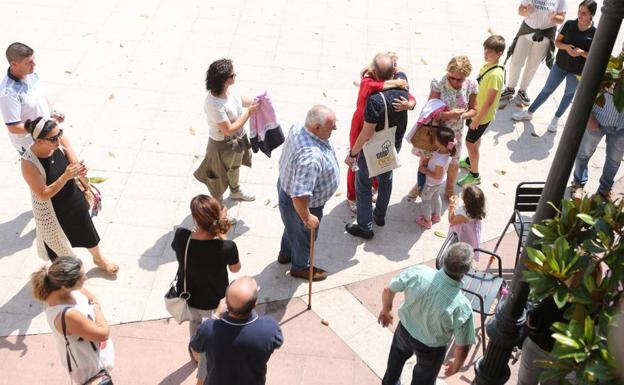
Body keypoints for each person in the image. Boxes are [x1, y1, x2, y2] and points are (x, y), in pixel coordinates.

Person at [21, 117, 118, 273]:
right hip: (51, 208)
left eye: (59, 133)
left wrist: (85, 184)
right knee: (56, 245)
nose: (58, 139)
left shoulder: (61, 142)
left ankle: (99, 259)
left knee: (86, 230)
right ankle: (70, 274)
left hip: (72, 196)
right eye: (53, 138)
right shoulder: (29, 163)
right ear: (39, 141)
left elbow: (74, 164)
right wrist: (65, 176)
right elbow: (43, 195)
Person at [378, 243, 476, 385]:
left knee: (394, 363)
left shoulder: (419, 272)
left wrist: (386, 309)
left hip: (404, 331)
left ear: (444, 259)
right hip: (432, 348)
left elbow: (388, 290)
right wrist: (457, 364)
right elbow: (462, 345)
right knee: (423, 379)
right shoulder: (462, 306)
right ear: (466, 270)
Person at [171, 194, 241, 384]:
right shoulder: (226, 247)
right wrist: (222, 236)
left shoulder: (181, 237)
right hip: (215, 303)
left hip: (189, 297)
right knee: (210, 343)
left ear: (195, 218)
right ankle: (202, 377)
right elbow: (236, 268)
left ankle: (195, 352)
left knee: (195, 326)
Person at [345, 53, 413, 239]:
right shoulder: (403, 85)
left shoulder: (374, 100)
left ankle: (365, 226)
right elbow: (401, 73)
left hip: (373, 147)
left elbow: (366, 134)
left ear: (373, 71)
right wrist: (411, 104)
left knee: (364, 183)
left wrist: (353, 153)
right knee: (386, 178)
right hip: (392, 145)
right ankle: (380, 215)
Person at [512, 0, 597, 132]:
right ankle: (529, 113)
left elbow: (594, 54)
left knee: (568, 95)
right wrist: (567, 47)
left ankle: (556, 119)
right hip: (561, 65)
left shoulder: (595, 33)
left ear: (592, 15)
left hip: (578, 71)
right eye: (579, 11)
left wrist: (583, 53)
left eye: (584, 13)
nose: (580, 15)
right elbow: (557, 42)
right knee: (547, 90)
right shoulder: (569, 24)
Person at [277, 105, 340, 281]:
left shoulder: (299, 127)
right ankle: (300, 267)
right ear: (316, 128)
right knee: (304, 235)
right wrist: (307, 217)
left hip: (285, 189)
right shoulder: (310, 158)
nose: (335, 128)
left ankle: (286, 253)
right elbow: (299, 195)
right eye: (331, 125)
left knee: (291, 226)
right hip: (304, 204)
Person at [31, 256, 115, 385]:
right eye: (82, 276)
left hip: (92, 356)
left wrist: (94, 305)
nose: (86, 278)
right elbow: (103, 334)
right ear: (65, 286)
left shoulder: (61, 291)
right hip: (91, 368)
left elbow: (92, 297)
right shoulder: (67, 315)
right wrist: (95, 308)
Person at [190, 276, 283, 385]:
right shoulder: (270, 328)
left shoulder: (208, 330)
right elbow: (278, 342)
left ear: (226, 303)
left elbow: (196, 350)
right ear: (254, 304)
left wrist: (216, 316)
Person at [194, 58, 258, 205]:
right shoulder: (213, 104)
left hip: (237, 140)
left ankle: (235, 192)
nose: (235, 75)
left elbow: (238, 100)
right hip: (221, 145)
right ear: (223, 80)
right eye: (232, 75)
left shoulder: (227, 90)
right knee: (218, 177)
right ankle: (218, 208)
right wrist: (248, 113)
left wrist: (255, 101)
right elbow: (228, 130)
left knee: (235, 167)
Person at [0, 42, 68, 155]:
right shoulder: (8, 94)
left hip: (48, 135)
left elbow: (41, 96)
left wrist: (52, 112)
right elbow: (13, 127)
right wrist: (40, 130)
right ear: (14, 64)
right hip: (31, 144)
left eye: (33, 59)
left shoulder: (31, 75)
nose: (34, 64)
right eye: (29, 62)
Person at [426, 56, 478, 198]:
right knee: (428, 160)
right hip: (436, 130)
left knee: (453, 163)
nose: (455, 82)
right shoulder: (439, 82)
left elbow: (474, 109)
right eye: (451, 78)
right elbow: (429, 110)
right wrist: (449, 115)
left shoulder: (472, 85)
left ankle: (449, 189)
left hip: (455, 133)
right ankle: (420, 186)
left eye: (459, 79)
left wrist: (461, 115)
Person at [458, 35, 506, 187]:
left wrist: (476, 121)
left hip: (481, 117)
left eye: (490, 51)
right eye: (485, 49)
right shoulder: (488, 66)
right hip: (477, 112)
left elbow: (490, 101)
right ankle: (469, 161)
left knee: (469, 143)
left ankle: (474, 175)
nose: (485, 53)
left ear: (500, 54)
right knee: (474, 140)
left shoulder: (495, 74)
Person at [501, 0, 567, 106]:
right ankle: (510, 88)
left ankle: (522, 90)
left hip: (545, 35)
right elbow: (520, 10)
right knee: (516, 62)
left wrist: (554, 17)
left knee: (532, 66)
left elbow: (562, 18)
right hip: (526, 31)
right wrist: (527, 11)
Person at [571, 91, 624, 202]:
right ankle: (578, 183)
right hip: (596, 120)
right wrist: (588, 117)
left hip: (621, 128)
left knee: (614, 160)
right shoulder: (609, 74)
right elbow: (584, 90)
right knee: (584, 153)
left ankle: (604, 190)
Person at [417, 126, 457, 229]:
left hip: (431, 184)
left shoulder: (440, 160)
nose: (434, 139)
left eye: (435, 138)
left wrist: (425, 170)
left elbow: (437, 175)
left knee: (425, 200)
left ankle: (427, 221)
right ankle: (437, 216)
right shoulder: (445, 152)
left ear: (441, 143)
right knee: (435, 197)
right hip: (438, 184)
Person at [448, 185, 486, 261]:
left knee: (459, 250)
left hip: (462, 234)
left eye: (463, 192)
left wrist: (452, 205)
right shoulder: (476, 209)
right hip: (470, 233)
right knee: (467, 248)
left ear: (466, 200)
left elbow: (451, 220)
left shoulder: (463, 214)